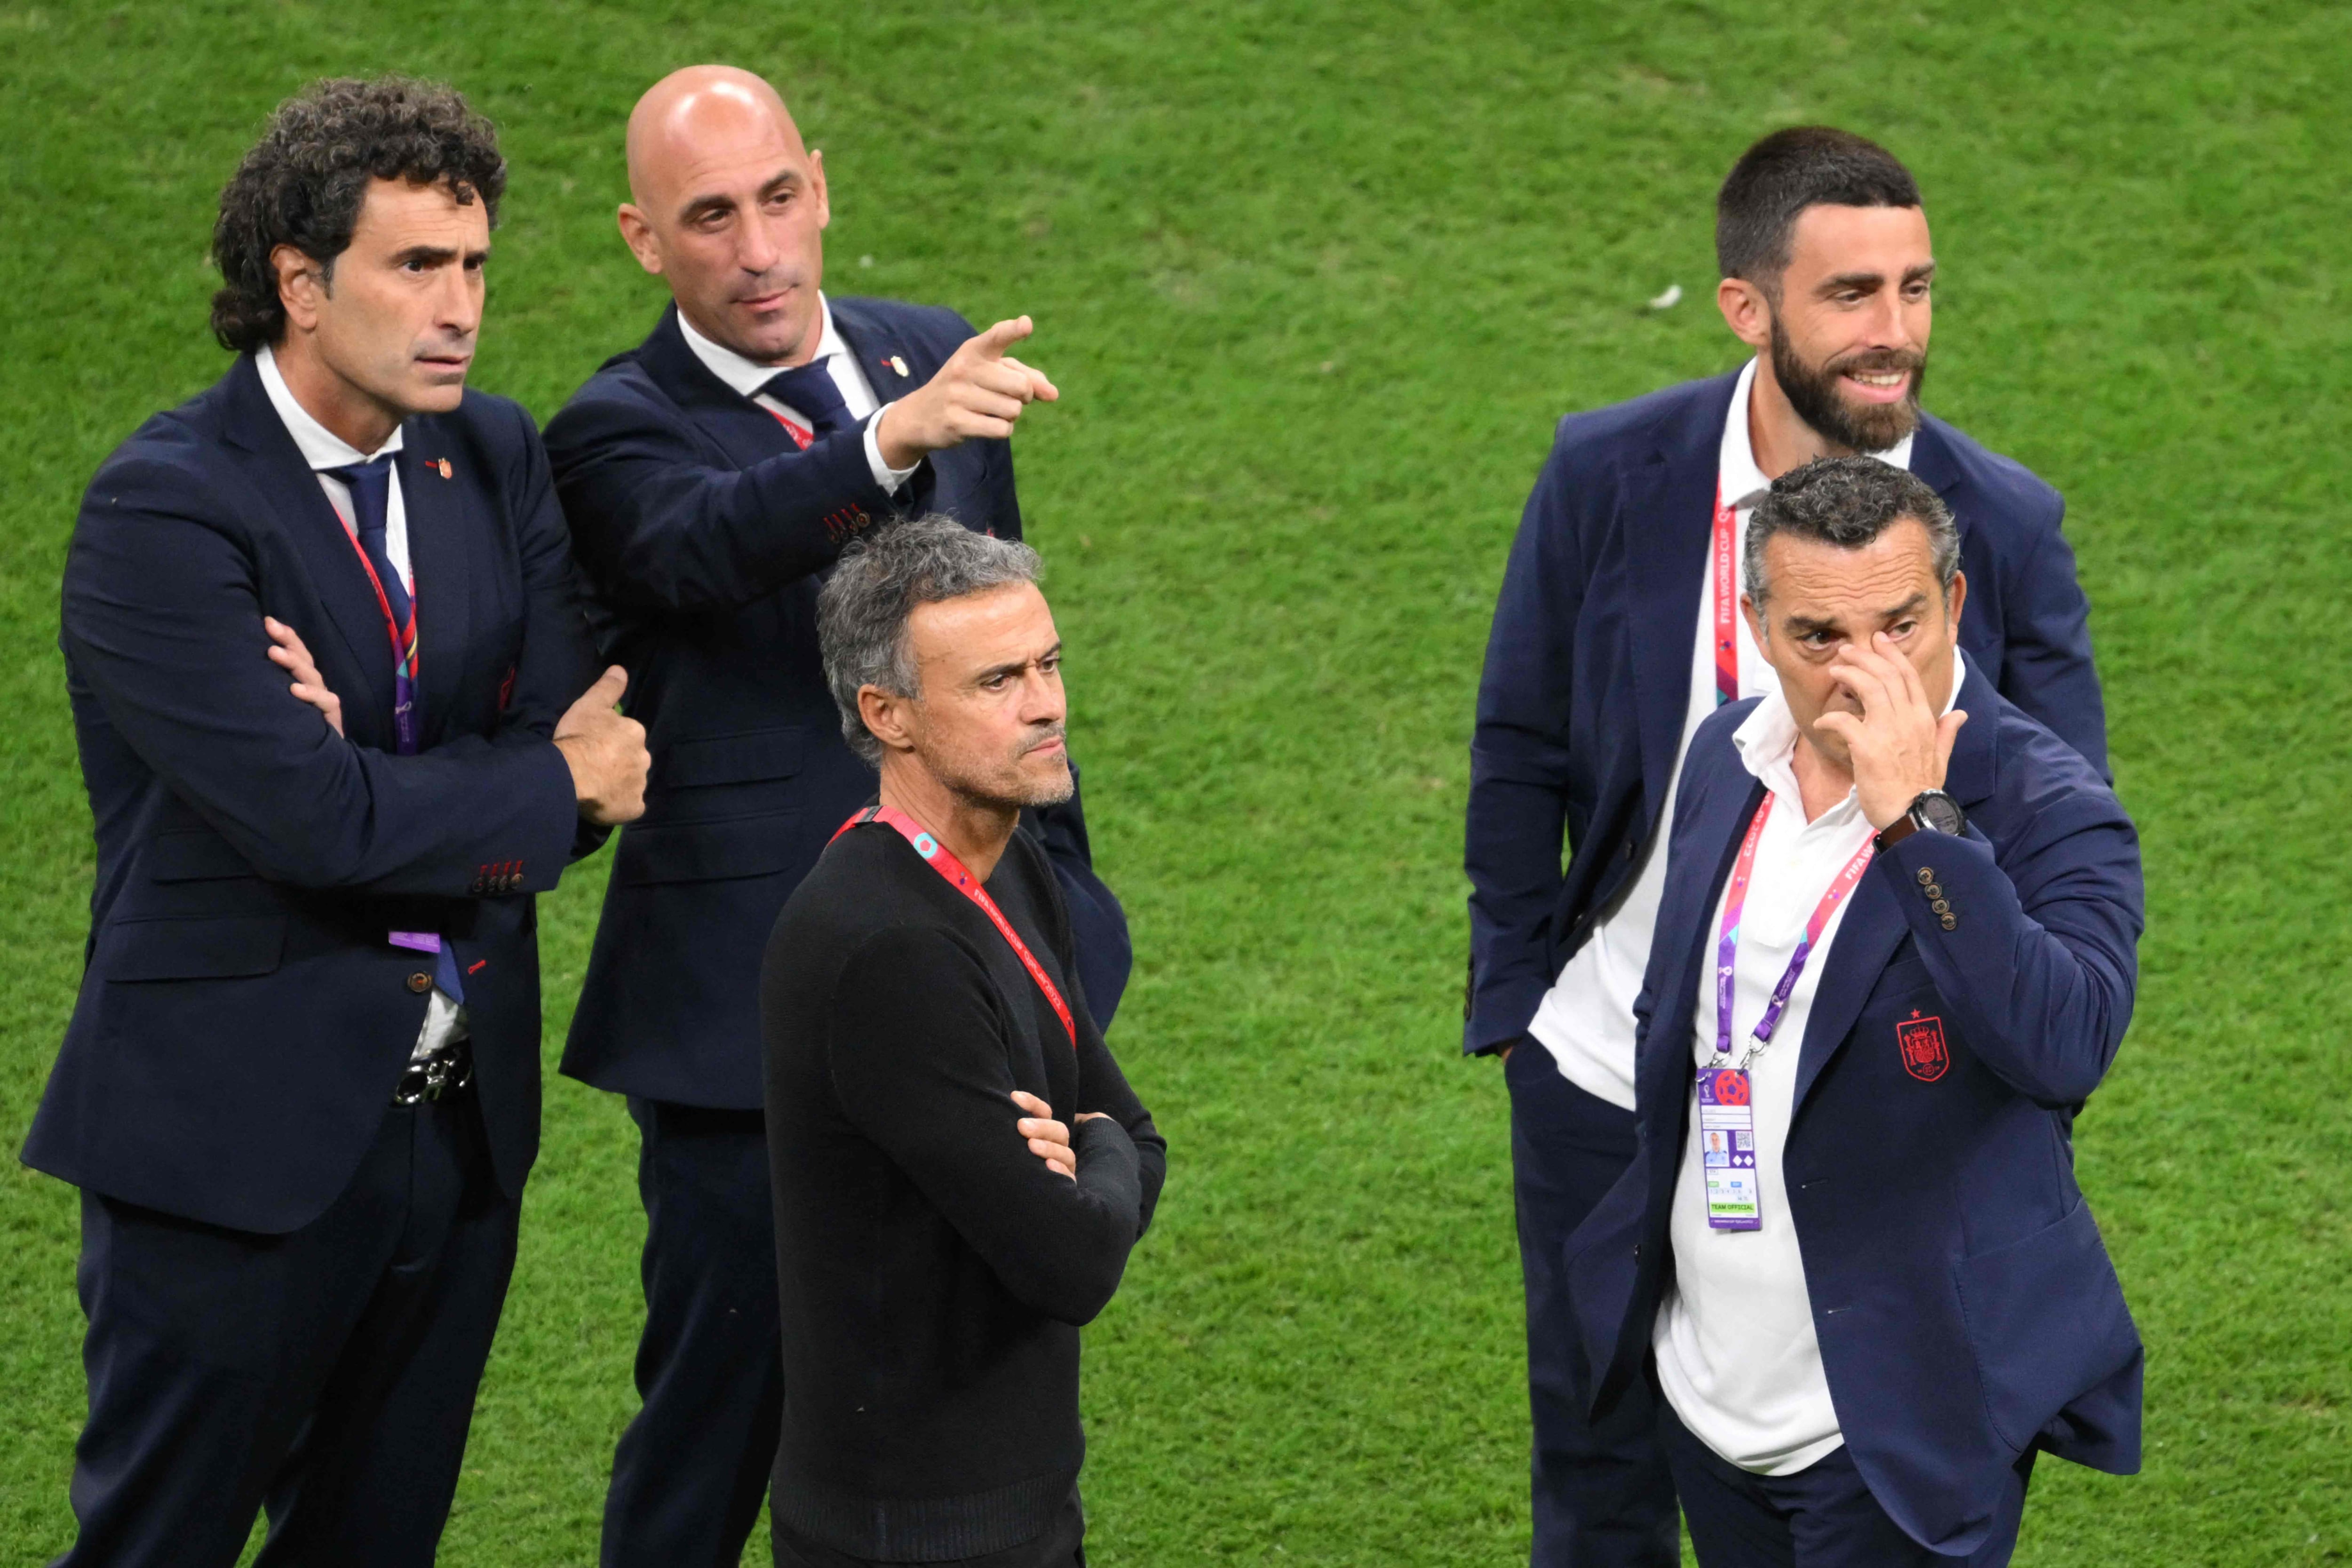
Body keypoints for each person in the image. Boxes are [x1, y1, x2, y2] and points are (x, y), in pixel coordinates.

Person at [22, 77, 648, 1568]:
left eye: (475, 264)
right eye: (415, 267)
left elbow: (600, 752)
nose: (460, 307)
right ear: (300, 285)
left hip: (457, 1130)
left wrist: (380, 759)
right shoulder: (163, 511)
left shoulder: (491, 453)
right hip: (231, 1142)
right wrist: (517, 778)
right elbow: (316, 820)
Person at [1464, 127, 2112, 1566]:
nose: (1897, 335)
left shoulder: (1996, 521)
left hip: (1868, 1091)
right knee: (1599, 1465)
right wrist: (1517, 1004)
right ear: (1748, 307)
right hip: (1613, 1070)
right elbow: (1520, 743)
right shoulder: (1609, 470)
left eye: (1918, 288)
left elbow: (2066, 836)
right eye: (1852, 295)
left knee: (1864, 1466)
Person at [540, 64, 1131, 1565]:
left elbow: (997, 649)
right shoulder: (617, 428)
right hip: (743, 1032)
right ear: (640, 238)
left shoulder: (931, 357)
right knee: (716, 1417)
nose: (759, 248)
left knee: (958, 1396)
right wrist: (882, 447)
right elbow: (696, 550)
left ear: (822, 179)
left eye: (780, 197)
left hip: (984, 990)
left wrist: (1072, 935)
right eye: (711, 216)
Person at [1563, 456, 2142, 1566]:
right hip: (1706, 1382)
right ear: (1759, 625)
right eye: (1820, 636)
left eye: (1899, 624)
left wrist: (1914, 820)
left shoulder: (2046, 807)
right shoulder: (1725, 756)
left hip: (1897, 1416)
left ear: (1955, 606)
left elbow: (2062, 1046)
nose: (1863, 670)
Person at [762, 515, 1164, 1568]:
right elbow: (1071, 1260)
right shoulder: (887, 947)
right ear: (886, 714)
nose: (1047, 706)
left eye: (1047, 664)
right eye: (996, 683)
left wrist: (1093, 1147)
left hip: (1012, 1502)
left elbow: (1131, 1130)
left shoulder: (1008, 860)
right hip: (912, 1532)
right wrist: (1099, 1153)